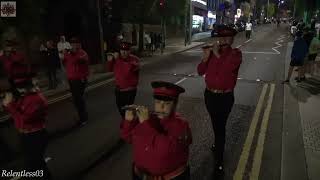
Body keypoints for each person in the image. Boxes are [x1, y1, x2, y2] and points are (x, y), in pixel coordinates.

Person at [120, 81, 192, 180]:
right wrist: (129, 121)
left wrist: (145, 124)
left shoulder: (181, 125)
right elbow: (128, 137)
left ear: (175, 105)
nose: (161, 107)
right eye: (158, 102)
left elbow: (165, 150)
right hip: (139, 176)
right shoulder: (149, 118)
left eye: (167, 103)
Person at [197, 25, 242, 176]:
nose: (222, 40)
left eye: (227, 37)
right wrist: (205, 58)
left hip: (225, 97)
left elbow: (228, 67)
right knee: (215, 123)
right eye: (220, 37)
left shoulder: (236, 54)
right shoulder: (211, 54)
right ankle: (217, 143)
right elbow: (199, 71)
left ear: (232, 39)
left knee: (220, 127)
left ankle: (219, 162)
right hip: (210, 95)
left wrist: (216, 54)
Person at [2, 73, 51, 179]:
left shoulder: (36, 99)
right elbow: (18, 111)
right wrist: (7, 104)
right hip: (26, 135)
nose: (20, 90)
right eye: (19, 88)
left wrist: (10, 106)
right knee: (31, 163)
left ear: (29, 86)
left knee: (37, 164)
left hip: (36, 135)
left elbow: (26, 119)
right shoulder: (25, 97)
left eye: (22, 87)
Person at [106, 42, 140, 118]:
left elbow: (127, 70)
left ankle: (129, 126)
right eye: (122, 50)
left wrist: (117, 59)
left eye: (126, 50)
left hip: (129, 90)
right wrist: (110, 61)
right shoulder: (117, 59)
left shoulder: (135, 59)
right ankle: (127, 124)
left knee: (127, 111)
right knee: (121, 110)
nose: (124, 52)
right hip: (118, 90)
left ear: (129, 51)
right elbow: (109, 69)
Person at [63, 37, 90, 125]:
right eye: (72, 44)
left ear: (79, 44)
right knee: (76, 99)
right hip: (71, 79)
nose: (74, 45)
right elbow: (65, 63)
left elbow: (80, 61)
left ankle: (83, 118)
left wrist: (72, 54)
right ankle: (81, 115)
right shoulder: (69, 53)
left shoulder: (82, 53)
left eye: (75, 43)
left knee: (79, 99)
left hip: (80, 79)